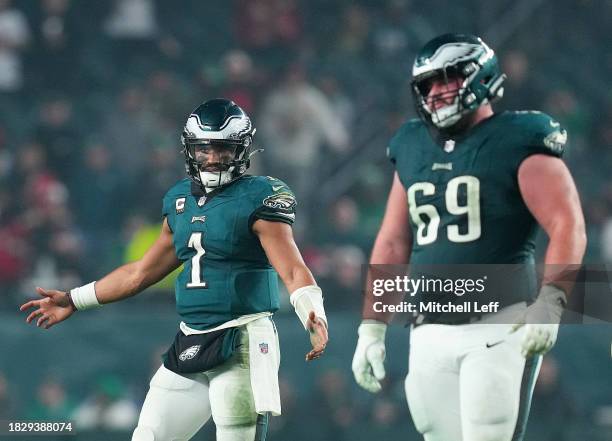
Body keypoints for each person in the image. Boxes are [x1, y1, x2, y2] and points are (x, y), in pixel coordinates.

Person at [20, 98, 329, 441]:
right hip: (191, 338)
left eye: (223, 150)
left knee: (235, 433)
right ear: (189, 149)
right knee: (148, 436)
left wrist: (312, 312)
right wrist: (74, 299)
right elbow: (139, 274)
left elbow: (292, 269)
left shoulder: (260, 196)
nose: (211, 159)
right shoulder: (179, 199)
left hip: (242, 338)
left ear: (242, 149)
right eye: (203, 149)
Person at [351, 34, 586, 441]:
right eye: (429, 84)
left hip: (497, 324)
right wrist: (371, 326)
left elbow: (568, 225)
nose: (438, 92)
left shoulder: (519, 137)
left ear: (482, 77)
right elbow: (392, 243)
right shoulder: (411, 144)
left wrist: (552, 300)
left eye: (449, 79)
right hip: (426, 327)